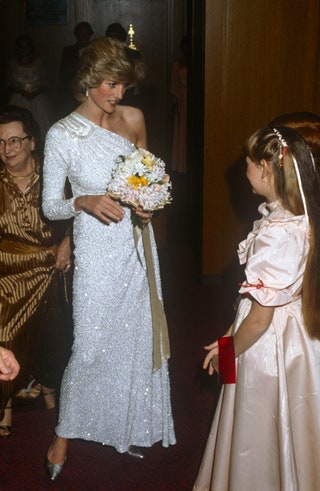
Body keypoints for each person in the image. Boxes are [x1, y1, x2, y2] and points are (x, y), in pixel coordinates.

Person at [42, 37, 176, 481]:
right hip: (96, 250)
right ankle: (65, 432)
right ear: (87, 81)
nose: (119, 95)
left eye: (124, 86)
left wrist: (148, 206)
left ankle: (128, 422)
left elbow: (150, 181)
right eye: (111, 84)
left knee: (135, 335)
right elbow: (50, 205)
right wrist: (82, 200)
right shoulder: (62, 134)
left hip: (136, 244)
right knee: (89, 342)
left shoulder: (134, 118)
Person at [193, 126, 320, 490]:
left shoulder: (277, 232)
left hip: (269, 345)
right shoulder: (298, 216)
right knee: (297, 416)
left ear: (266, 168)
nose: (243, 171)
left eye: (248, 164)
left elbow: (260, 319)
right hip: (298, 334)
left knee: (260, 419)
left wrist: (226, 351)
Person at [0, 105, 72, 438]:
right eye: (0, 142)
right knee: (4, 318)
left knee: (57, 316)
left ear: (33, 142)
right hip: (6, 269)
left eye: (15, 141)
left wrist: (69, 241)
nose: (7, 150)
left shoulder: (54, 176)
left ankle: (49, 386)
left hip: (50, 264)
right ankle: (5, 401)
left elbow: (80, 215)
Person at [7, 35, 52, 139]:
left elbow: (45, 82)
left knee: (39, 125)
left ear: (30, 47)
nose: (24, 49)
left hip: (36, 99)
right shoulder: (13, 62)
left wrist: (34, 93)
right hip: (19, 99)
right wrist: (22, 92)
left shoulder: (38, 61)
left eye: (26, 46)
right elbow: (9, 83)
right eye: (21, 47)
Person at [57, 21, 94, 118]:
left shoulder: (95, 50)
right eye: (81, 33)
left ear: (90, 35)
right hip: (71, 93)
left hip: (91, 90)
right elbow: (63, 73)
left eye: (87, 33)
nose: (84, 36)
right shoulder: (68, 51)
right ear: (76, 35)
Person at [170, 35, 188, 173]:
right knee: (181, 135)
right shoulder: (177, 65)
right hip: (182, 103)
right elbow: (173, 87)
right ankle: (180, 165)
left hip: (193, 102)